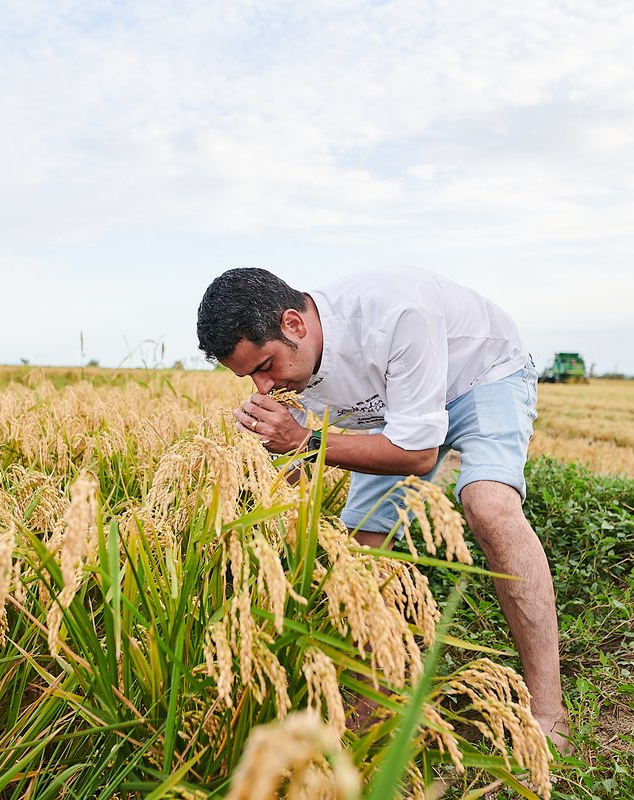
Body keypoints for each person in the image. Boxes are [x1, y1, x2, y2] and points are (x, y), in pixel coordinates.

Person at [194, 265, 569, 752]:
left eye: (265, 367)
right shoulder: (286, 370)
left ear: (294, 324)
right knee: (367, 552)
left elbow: (417, 454)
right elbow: (296, 475)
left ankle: (548, 711)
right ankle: (377, 704)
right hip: (395, 408)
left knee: (489, 506)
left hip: (479, 376)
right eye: (249, 377)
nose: (262, 387)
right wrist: (271, 456)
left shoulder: (396, 313)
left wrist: (303, 440)